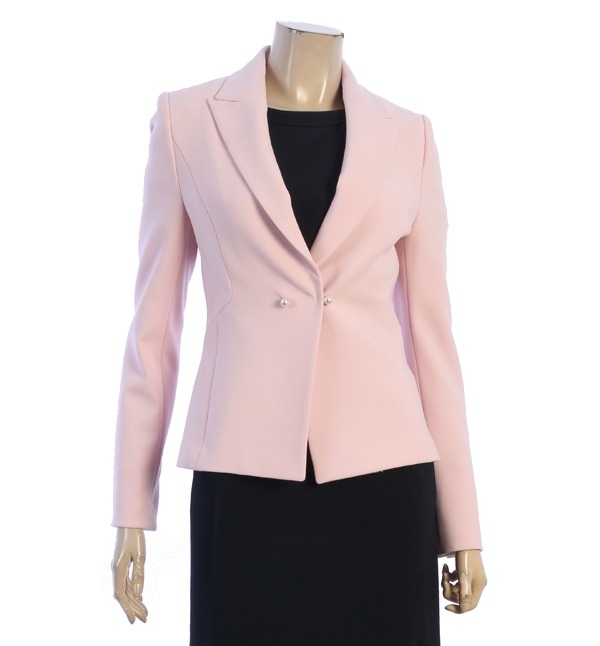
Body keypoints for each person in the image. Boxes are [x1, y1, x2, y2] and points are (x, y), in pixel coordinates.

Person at [111, 20, 487, 645]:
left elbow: (432, 343)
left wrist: (462, 525)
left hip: (385, 484)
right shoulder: (187, 121)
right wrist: (132, 507)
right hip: (243, 476)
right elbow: (153, 329)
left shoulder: (409, 136)